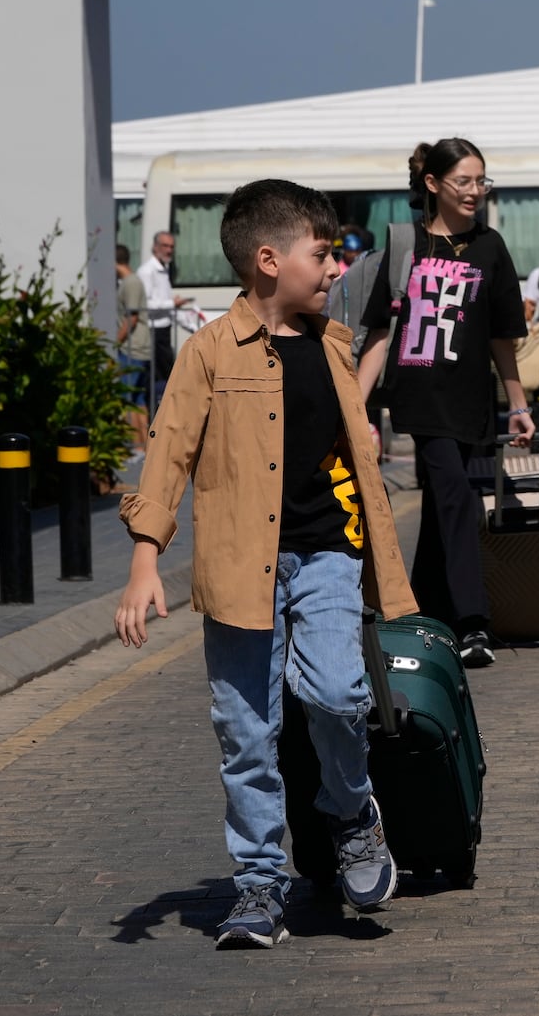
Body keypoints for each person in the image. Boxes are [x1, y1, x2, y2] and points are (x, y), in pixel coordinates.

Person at [113, 178, 418, 949]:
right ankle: (258, 883)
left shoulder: (335, 340)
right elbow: (169, 450)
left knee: (338, 692)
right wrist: (146, 562)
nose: (334, 267)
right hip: (238, 564)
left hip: (326, 552)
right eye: (322, 254)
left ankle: (352, 813)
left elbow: (393, 271)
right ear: (268, 259)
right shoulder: (209, 351)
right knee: (245, 730)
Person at [356, 138, 535, 668]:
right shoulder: (408, 246)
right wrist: (354, 409)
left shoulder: (491, 246)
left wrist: (518, 404)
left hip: (472, 401)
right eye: (464, 181)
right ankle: (473, 622)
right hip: (421, 399)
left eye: (482, 181)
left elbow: (504, 336)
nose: (476, 192)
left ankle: (418, 613)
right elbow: (381, 336)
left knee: (441, 507)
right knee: (455, 497)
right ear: (433, 184)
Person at [138, 231, 190, 398]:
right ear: (155, 247)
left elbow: (164, 300)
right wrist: (172, 304)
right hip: (153, 331)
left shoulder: (163, 269)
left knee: (166, 375)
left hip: (164, 330)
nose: (169, 250)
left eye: (171, 247)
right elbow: (145, 304)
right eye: (165, 246)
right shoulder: (147, 271)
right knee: (160, 377)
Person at [114, 244, 153, 447]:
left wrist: (115, 342)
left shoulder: (130, 283)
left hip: (133, 348)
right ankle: (142, 447)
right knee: (138, 400)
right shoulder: (132, 281)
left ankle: (134, 448)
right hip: (140, 348)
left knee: (127, 399)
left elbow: (132, 318)